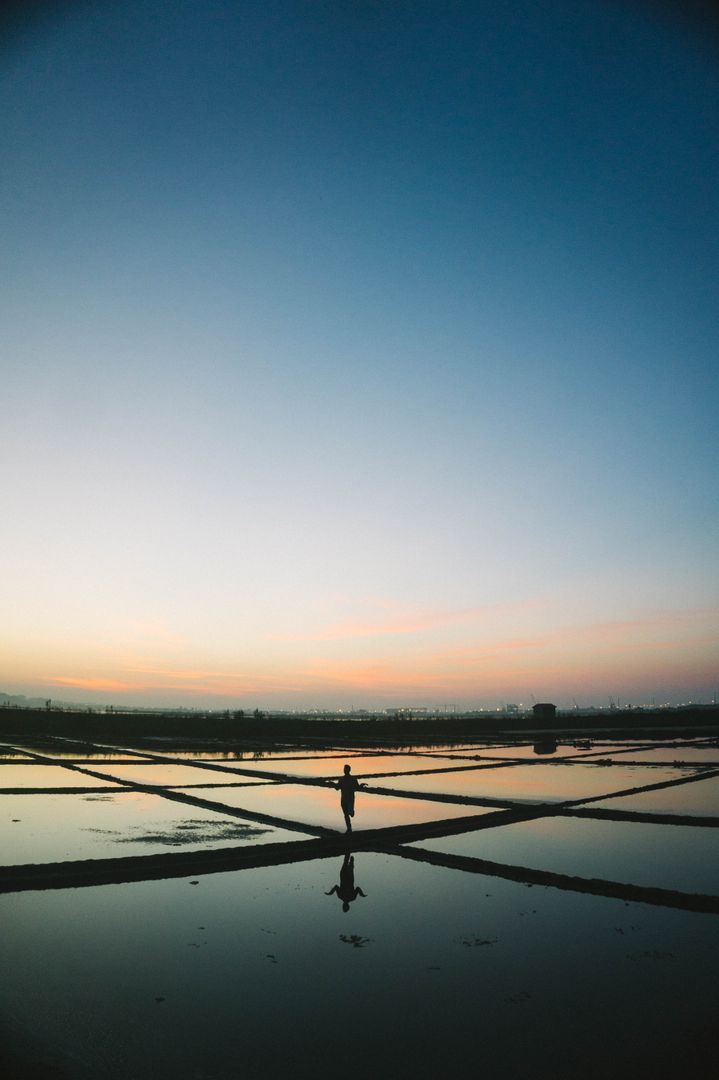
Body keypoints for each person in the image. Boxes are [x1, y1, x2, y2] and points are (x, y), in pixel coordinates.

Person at [334, 763, 364, 832]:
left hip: (350, 799)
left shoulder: (352, 779)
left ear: (348, 770)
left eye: (345, 769)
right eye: (344, 769)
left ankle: (351, 812)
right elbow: (337, 788)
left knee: (349, 813)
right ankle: (349, 828)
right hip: (344, 799)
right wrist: (333, 784)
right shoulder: (342, 779)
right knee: (346, 814)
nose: (344, 770)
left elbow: (357, 788)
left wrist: (361, 785)